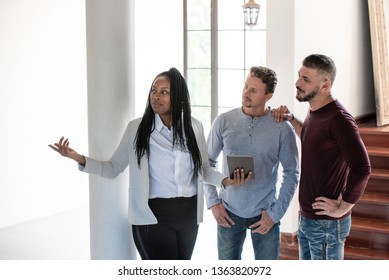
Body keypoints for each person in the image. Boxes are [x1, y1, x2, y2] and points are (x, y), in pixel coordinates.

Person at [49, 67, 250, 260]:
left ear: (177, 96)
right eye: (154, 91)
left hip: (188, 214)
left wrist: (226, 181)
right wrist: (78, 158)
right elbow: (112, 168)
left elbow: (204, 169)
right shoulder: (137, 128)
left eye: (164, 92)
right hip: (153, 215)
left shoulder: (194, 126)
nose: (156, 96)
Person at [272, 54, 371, 260]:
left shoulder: (340, 120)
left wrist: (343, 206)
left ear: (325, 85)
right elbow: (310, 138)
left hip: (326, 224)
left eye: (306, 79)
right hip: (308, 219)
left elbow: (362, 168)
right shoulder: (315, 110)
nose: (297, 83)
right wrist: (291, 119)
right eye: (299, 76)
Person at [205, 66, 300, 260]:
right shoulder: (223, 121)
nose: (245, 93)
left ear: (268, 95)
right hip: (228, 213)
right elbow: (206, 163)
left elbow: (292, 173)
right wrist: (213, 202)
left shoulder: (282, 128)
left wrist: (275, 214)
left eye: (253, 90)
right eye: (245, 86)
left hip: (265, 214)